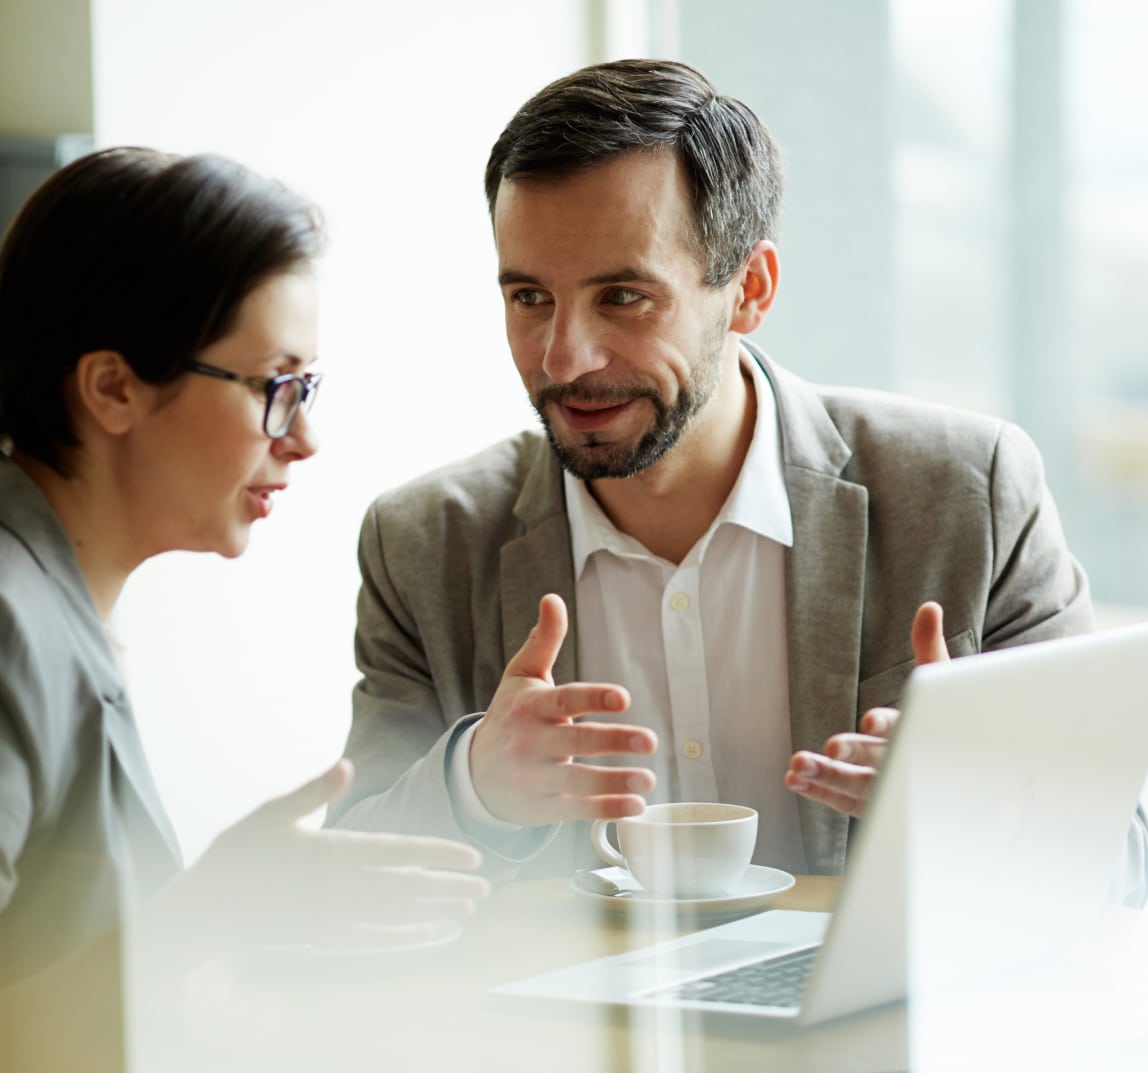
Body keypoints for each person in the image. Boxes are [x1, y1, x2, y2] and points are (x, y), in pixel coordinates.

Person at [327, 59, 1092, 880]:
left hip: (882, 1009)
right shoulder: (423, 543)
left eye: (623, 297)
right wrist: (473, 786)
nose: (564, 358)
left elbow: (1122, 842)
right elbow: (348, 874)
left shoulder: (967, 493)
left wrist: (985, 805)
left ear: (750, 290)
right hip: (571, 1014)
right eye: (529, 298)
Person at [0, 147, 489, 986]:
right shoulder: (12, 623)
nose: (302, 439)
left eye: (307, 389)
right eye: (275, 384)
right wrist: (208, 913)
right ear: (113, 388)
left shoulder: (60, 607)